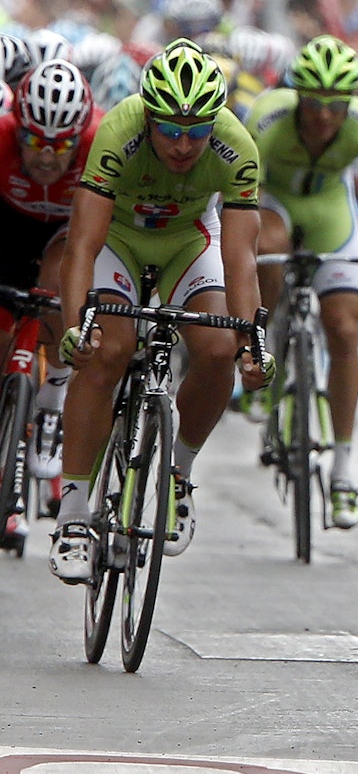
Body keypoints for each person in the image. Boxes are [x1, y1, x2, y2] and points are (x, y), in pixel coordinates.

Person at [51, 38, 272, 583]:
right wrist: (76, 324)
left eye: (197, 132)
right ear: (149, 117)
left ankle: (178, 476)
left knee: (218, 347)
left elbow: (241, 256)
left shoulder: (236, 146)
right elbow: (82, 244)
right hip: (119, 240)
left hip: (187, 242)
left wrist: (252, 342)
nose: (183, 144)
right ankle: (74, 514)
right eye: (170, 130)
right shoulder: (120, 132)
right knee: (108, 349)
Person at [246, 34, 358, 529]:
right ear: (297, 95)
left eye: (337, 105)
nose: (325, 116)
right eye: (314, 103)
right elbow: (243, 197)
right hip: (275, 204)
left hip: (332, 211)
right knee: (267, 249)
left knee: (345, 329)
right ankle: (261, 342)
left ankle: (344, 471)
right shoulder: (267, 118)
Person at [0, 60, 102, 533]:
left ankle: (52, 404)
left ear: (77, 137)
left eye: (60, 145)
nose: (46, 156)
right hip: (10, 225)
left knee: (61, 289)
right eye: (35, 141)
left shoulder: (100, 143)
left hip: (64, 233)